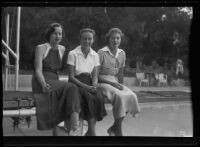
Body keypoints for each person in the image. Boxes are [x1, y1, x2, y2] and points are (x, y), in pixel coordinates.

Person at [32, 23, 81, 136]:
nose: (58, 36)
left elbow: (57, 69)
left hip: (54, 79)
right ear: (49, 34)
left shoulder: (62, 49)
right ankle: (75, 126)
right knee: (71, 87)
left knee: (70, 91)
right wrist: (43, 84)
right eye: (55, 33)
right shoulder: (41, 48)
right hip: (41, 79)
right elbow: (38, 70)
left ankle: (69, 126)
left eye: (60, 34)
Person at [97, 28, 140, 136]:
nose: (115, 40)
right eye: (113, 38)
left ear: (120, 39)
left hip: (114, 80)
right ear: (108, 39)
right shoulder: (101, 52)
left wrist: (122, 86)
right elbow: (95, 75)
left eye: (118, 38)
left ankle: (114, 128)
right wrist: (112, 84)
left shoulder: (122, 53)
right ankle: (118, 130)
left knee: (131, 95)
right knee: (120, 97)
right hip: (102, 81)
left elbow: (120, 73)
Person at [67, 28, 107, 136]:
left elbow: (95, 76)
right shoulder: (73, 53)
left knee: (98, 97)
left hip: (89, 82)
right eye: (84, 39)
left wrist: (94, 86)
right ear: (80, 39)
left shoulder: (95, 55)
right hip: (76, 83)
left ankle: (90, 130)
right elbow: (71, 77)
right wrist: (86, 87)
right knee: (88, 97)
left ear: (93, 40)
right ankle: (92, 132)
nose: (87, 41)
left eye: (89, 39)